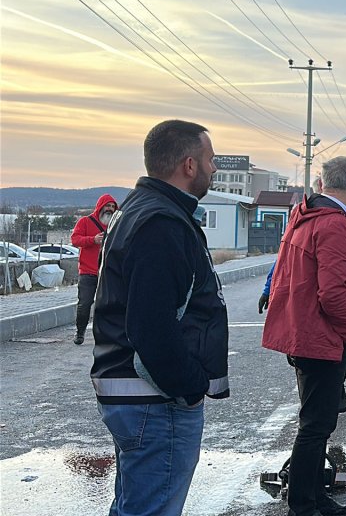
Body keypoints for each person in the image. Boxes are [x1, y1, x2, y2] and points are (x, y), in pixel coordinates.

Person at [90, 119, 229, 516]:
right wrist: (189, 385)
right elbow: (150, 326)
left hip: (143, 397)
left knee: (136, 506)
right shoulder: (161, 223)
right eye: (210, 159)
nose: (213, 169)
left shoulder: (146, 210)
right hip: (156, 400)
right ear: (189, 165)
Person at [261, 157, 346, 516]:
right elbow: (332, 293)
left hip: (305, 332)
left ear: (322, 183)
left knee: (318, 422)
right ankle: (303, 505)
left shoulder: (306, 216)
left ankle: (314, 497)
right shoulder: (334, 225)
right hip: (321, 338)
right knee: (315, 426)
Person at [259, 179, 346, 415]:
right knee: (314, 412)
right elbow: (285, 261)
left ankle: (336, 387)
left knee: (344, 353)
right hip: (311, 316)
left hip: (336, 314)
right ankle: (322, 402)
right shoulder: (304, 219)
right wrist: (268, 289)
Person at [69, 193, 117, 345]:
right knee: (84, 303)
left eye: (112, 206)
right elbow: (75, 240)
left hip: (108, 272)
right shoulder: (85, 221)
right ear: (100, 207)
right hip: (88, 272)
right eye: (107, 206)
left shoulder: (117, 224)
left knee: (107, 305)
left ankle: (105, 335)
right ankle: (80, 331)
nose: (109, 209)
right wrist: (92, 240)